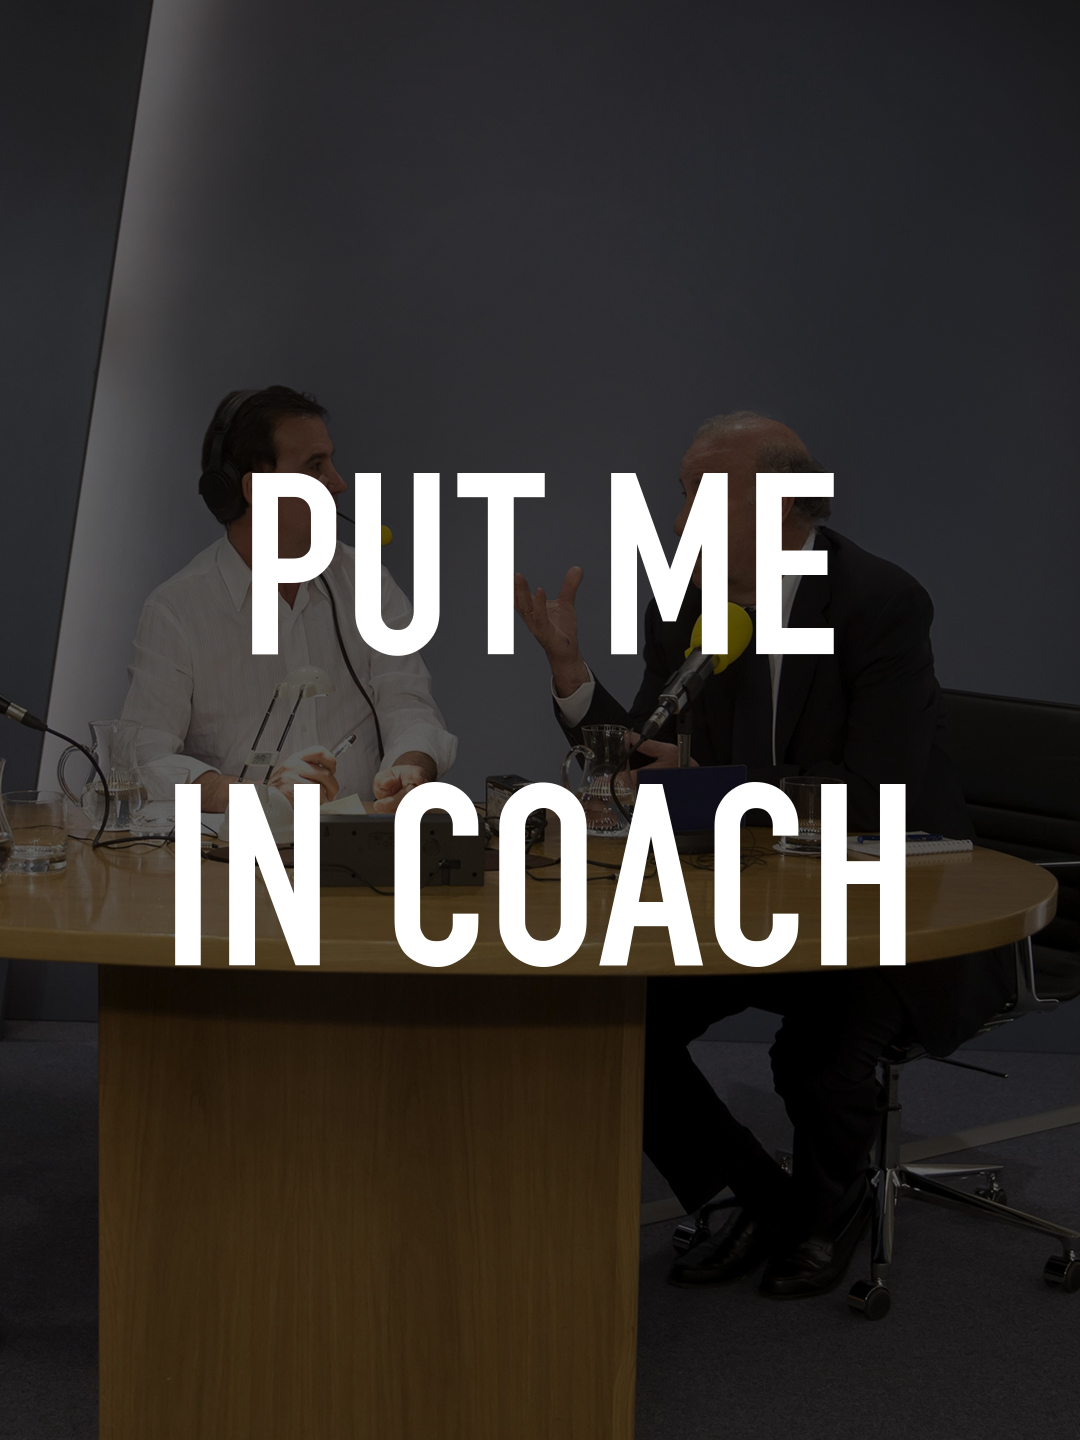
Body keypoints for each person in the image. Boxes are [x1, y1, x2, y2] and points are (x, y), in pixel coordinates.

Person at [514, 410, 1014, 1299]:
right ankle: (750, 1193)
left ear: (783, 503)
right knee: (615, 1021)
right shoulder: (691, 603)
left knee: (816, 1056)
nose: (679, 518)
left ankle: (825, 1213)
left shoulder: (878, 602)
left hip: (887, 905)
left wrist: (720, 782)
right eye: (680, 495)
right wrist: (572, 676)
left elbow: (875, 790)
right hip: (755, 900)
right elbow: (646, 755)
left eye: (703, 494)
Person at [122, 386, 456, 813]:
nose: (339, 483)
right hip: (236, 849)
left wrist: (411, 767)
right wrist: (257, 796)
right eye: (315, 467)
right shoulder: (176, 610)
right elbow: (144, 760)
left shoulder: (367, 581)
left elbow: (410, 708)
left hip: (362, 841)